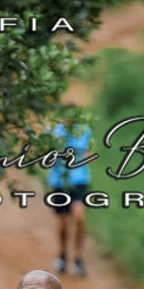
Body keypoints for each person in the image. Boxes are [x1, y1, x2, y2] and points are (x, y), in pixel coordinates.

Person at [47, 111, 92, 277]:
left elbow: (89, 152)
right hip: (59, 181)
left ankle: (78, 258)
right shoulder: (54, 131)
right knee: (64, 223)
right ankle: (62, 254)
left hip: (79, 180)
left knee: (79, 215)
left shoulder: (84, 130)